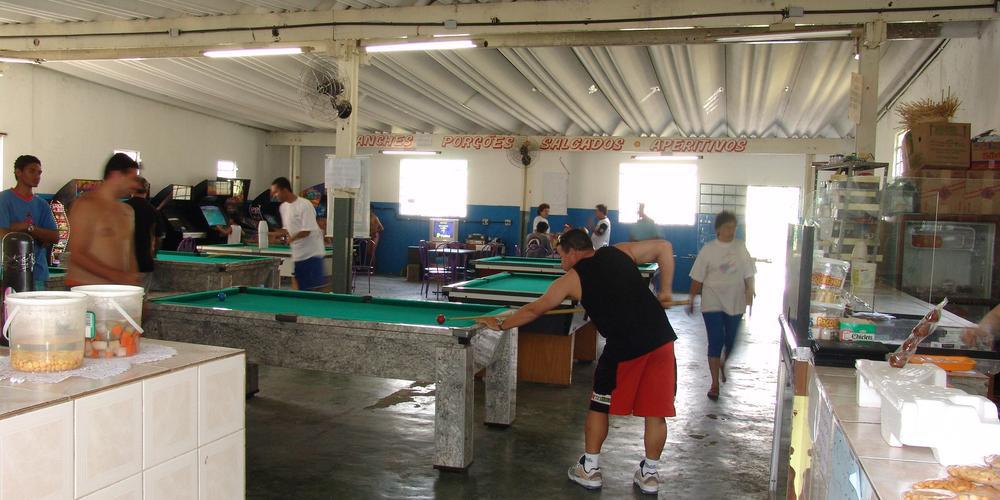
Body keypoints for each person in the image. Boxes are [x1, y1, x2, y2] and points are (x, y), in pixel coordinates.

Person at [478, 229, 676, 495]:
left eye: (561, 256)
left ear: (573, 252)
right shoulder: (619, 251)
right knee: (655, 412)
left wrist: (502, 324)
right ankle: (649, 475)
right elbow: (664, 247)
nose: (561, 262)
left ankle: (589, 469)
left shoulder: (572, 279)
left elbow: (536, 309)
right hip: (661, 340)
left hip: (623, 348)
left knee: (599, 406)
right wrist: (666, 291)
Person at [687, 210, 755, 401]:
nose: (731, 231)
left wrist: (750, 290)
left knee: (730, 339)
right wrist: (692, 298)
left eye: (733, 227)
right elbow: (697, 277)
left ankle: (723, 362)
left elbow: (749, 273)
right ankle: (714, 384)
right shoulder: (708, 250)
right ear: (718, 229)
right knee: (716, 339)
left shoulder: (740, 247)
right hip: (712, 302)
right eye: (727, 227)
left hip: (735, 302)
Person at [66, 153, 141, 286]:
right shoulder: (86, 205)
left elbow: (130, 254)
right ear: (116, 175)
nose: (136, 185)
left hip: (117, 290)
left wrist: (134, 285)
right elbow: (77, 253)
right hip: (84, 288)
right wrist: (116, 276)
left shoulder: (127, 211)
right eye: (132, 179)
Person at [0, 155, 60, 290]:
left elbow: (55, 236)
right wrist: (39, 235)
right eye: (32, 171)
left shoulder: (42, 204)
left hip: (38, 273)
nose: (37, 176)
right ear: (19, 172)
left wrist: (28, 228)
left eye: (39, 173)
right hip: (8, 273)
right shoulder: (3, 199)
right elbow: (2, 234)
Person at [269, 177, 328, 291]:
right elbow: (287, 229)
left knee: (314, 291)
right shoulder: (283, 207)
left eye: (276, 192)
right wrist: (273, 234)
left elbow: (306, 231)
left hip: (312, 255)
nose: (275, 196)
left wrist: (291, 239)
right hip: (298, 255)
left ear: (285, 190)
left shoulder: (304, 204)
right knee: (299, 289)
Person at [125, 176, 163, 291]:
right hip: (144, 262)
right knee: (141, 297)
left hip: (124, 263)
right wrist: (153, 254)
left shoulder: (123, 208)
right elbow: (158, 238)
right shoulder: (153, 210)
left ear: (131, 190)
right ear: (147, 190)